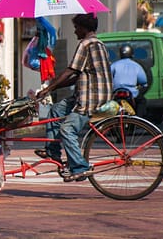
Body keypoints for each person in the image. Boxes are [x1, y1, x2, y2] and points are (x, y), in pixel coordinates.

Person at [35, 13, 113, 182]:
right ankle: (52, 151)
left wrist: (49, 87)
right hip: (85, 93)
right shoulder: (98, 44)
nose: (75, 31)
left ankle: (80, 167)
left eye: (77, 28)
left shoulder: (86, 44)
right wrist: (52, 89)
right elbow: (77, 76)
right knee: (56, 110)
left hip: (91, 96)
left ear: (84, 28)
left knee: (67, 130)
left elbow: (71, 70)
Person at [110, 45, 148, 114]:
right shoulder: (136, 65)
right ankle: (138, 122)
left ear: (120, 54)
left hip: (116, 93)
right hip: (132, 94)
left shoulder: (114, 64)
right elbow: (143, 81)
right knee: (142, 102)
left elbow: (109, 78)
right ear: (132, 54)